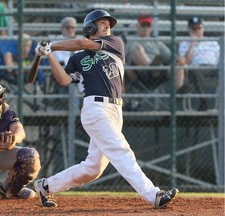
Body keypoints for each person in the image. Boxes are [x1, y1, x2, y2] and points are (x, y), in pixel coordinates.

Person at [33, 9, 178, 208]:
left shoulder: (115, 43)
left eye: (108, 23)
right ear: (90, 27)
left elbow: (83, 43)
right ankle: (154, 195)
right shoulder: (77, 59)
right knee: (122, 151)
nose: (107, 25)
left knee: (93, 168)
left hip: (115, 110)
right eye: (102, 23)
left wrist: (52, 45)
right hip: (95, 109)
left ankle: (46, 185)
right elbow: (64, 80)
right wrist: (49, 54)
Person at [125, 16, 185, 91]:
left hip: (159, 71)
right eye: (143, 25)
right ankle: (152, 68)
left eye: (148, 25)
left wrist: (179, 59)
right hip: (141, 72)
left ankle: (179, 95)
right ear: (137, 26)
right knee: (137, 48)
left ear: (151, 27)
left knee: (178, 67)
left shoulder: (156, 42)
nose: (146, 28)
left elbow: (170, 57)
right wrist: (126, 66)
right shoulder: (130, 40)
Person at [178, 16, 220, 110]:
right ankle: (203, 100)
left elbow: (220, 60)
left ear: (203, 29)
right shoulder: (184, 44)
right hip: (195, 70)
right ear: (189, 30)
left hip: (213, 68)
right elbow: (186, 62)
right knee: (193, 70)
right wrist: (192, 44)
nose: (197, 31)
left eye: (199, 28)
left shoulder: (212, 43)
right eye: (194, 29)